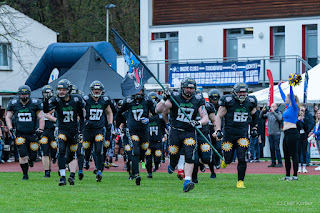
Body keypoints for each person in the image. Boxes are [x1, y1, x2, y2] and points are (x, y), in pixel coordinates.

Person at [156, 77, 209, 192]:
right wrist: (164, 98)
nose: (189, 90)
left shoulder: (198, 100)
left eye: (191, 88)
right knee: (174, 155)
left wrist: (198, 122)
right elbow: (158, 110)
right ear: (182, 88)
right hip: (175, 131)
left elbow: (205, 118)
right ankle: (173, 165)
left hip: (189, 132)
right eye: (187, 87)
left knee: (190, 155)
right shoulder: (175, 98)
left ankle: (187, 181)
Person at [215, 82, 258, 188]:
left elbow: (255, 115)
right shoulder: (228, 101)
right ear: (234, 92)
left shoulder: (250, 102)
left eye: (243, 92)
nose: (242, 94)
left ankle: (240, 181)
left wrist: (254, 128)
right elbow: (218, 116)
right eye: (239, 92)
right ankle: (226, 160)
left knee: (242, 157)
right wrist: (218, 130)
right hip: (229, 134)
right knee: (229, 158)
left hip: (242, 134)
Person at [43, 79, 85, 186]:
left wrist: (81, 131)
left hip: (73, 130)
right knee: (61, 150)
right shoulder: (56, 100)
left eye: (63, 89)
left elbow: (82, 117)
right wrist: (45, 100)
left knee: (72, 154)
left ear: (69, 90)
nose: (61, 91)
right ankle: (62, 177)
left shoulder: (76, 99)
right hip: (61, 129)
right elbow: (46, 111)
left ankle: (72, 175)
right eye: (59, 89)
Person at [116, 88, 155, 185]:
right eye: (136, 91)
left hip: (144, 130)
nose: (138, 93)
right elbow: (119, 113)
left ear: (143, 90)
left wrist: (148, 120)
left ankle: (136, 164)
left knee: (143, 150)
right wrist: (119, 125)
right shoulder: (128, 101)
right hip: (132, 130)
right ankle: (136, 174)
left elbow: (156, 114)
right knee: (135, 150)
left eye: (140, 90)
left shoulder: (147, 100)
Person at [6, 85, 45, 180]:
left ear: (29, 94)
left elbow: (41, 117)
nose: (24, 96)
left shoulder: (35, 103)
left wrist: (40, 130)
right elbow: (8, 117)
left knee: (33, 154)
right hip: (20, 133)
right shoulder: (14, 103)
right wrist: (11, 128)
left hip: (32, 133)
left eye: (26, 94)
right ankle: (25, 174)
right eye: (22, 94)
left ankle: (31, 160)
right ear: (19, 94)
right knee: (22, 154)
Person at [82, 80, 113, 182]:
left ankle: (99, 170)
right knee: (86, 147)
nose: (96, 91)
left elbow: (109, 113)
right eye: (95, 89)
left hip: (99, 129)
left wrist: (110, 123)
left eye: (98, 89)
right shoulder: (86, 100)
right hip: (88, 129)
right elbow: (81, 112)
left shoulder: (104, 100)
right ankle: (86, 160)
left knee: (99, 150)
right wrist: (85, 120)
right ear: (91, 90)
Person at [278, 82, 300, 180]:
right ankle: (287, 175)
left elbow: (290, 94)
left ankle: (295, 175)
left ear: (291, 99)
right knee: (286, 154)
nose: (285, 99)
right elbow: (283, 96)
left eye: (287, 98)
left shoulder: (294, 108)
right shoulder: (288, 107)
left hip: (292, 133)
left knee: (293, 154)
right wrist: (279, 87)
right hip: (286, 133)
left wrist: (291, 85)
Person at [146, 92, 166, 178]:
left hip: (158, 141)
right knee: (148, 158)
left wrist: (165, 134)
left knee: (158, 157)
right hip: (148, 141)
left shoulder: (160, 118)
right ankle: (149, 172)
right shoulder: (144, 116)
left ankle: (157, 164)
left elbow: (164, 126)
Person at [40, 85, 58, 178]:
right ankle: (47, 172)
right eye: (45, 93)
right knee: (45, 150)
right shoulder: (39, 103)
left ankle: (54, 157)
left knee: (55, 149)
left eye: (49, 92)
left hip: (54, 129)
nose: (47, 94)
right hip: (44, 130)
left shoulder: (56, 102)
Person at [260, 103, 283, 167]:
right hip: (270, 133)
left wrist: (274, 112)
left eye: (273, 106)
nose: (271, 108)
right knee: (271, 148)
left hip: (276, 133)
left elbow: (280, 119)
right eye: (271, 106)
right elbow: (261, 117)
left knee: (277, 148)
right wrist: (262, 111)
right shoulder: (269, 114)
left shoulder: (279, 113)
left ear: (276, 107)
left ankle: (280, 162)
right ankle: (273, 162)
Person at [208, 89, 223, 169]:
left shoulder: (221, 107)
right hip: (209, 129)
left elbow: (222, 119)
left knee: (218, 147)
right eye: (213, 98)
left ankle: (217, 161)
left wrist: (219, 130)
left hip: (218, 129)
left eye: (216, 98)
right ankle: (210, 162)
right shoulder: (206, 106)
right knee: (209, 147)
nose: (214, 100)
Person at [296, 108, 309, 173]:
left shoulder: (306, 119)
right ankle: (299, 167)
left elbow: (307, 128)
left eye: (302, 112)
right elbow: (296, 128)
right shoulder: (297, 120)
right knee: (298, 152)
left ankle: (304, 167)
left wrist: (303, 122)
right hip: (298, 138)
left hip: (304, 137)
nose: (301, 113)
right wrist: (298, 121)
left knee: (304, 152)